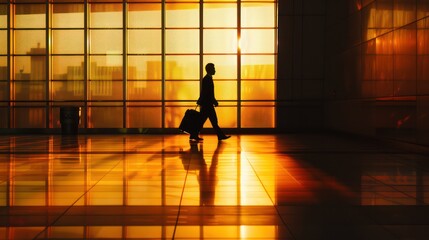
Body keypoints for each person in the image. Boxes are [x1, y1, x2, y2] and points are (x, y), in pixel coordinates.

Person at [190, 63, 230, 142]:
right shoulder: (207, 79)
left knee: (203, 121)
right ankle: (220, 135)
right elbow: (207, 93)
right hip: (207, 105)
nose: (215, 70)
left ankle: (194, 134)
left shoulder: (207, 78)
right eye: (213, 69)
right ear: (210, 70)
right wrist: (214, 101)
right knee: (212, 121)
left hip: (206, 104)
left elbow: (206, 92)